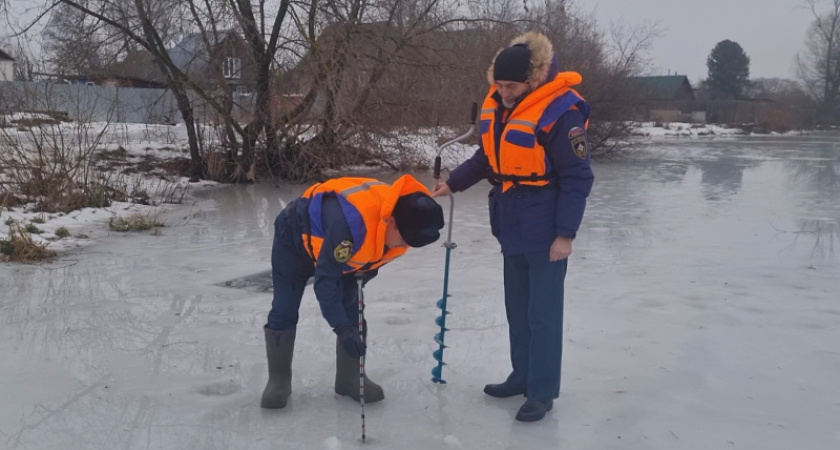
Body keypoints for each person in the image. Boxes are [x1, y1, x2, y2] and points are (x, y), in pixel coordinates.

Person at [431, 31, 594, 422]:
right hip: (510, 222)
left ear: (532, 80)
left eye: (511, 85)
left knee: (543, 314)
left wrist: (565, 234)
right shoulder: (500, 107)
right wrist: (451, 183)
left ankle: (541, 391)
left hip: (546, 225)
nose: (503, 92)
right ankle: (520, 376)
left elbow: (578, 177)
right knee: (517, 310)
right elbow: (487, 157)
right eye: (499, 85)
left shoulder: (560, 112)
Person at [261, 174, 444, 409]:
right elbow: (325, 283)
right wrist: (341, 327)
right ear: (391, 221)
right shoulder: (350, 228)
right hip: (295, 239)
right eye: (403, 240)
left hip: (342, 253)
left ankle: (350, 379)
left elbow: (375, 259)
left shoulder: (404, 223)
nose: (403, 246)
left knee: (352, 307)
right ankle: (279, 381)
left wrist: (359, 282)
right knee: (284, 307)